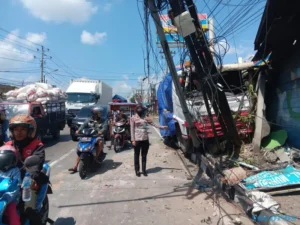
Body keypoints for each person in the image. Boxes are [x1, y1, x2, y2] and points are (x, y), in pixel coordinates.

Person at [6, 114, 48, 225]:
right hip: (11, 181)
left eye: (23, 129)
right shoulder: (8, 145)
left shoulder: (37, 145)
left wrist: (30, 176)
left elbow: (37, 163)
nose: (19, 132)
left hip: (29, 181)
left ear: (30, 131)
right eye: (16, 129)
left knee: (29, 210)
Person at [130, 104, 168, 177]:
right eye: (139, 109)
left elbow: (154, 124)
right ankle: (137, 170)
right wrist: (133, 140)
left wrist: (162, 127)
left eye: (141, 109)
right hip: (137, 139)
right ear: (136, 110)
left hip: (145, 139)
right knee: (136, 155)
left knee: (144, 155)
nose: (140, 111)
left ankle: (144, 170)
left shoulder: (146, 118)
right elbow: (132, 129)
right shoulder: (133, 118)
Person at [68, 106, 108, 172]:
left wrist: (101, 131)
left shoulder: (103, 120)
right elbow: (83, 126)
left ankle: (96, 158)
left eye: (100, 113)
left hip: (97, 136)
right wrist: (78, 130)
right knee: (81, 149)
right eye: (98, 113)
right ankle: (75, 166)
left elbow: (105, 128)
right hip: (88, 135)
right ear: (94, 114)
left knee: (100, 142)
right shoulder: (89, 120)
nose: (100, 114)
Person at [0, 145, 21, 225]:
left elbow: (17, 184)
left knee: (12, 211)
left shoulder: (15, 171)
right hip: (0, 196)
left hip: (11, 198)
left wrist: (12, 185)